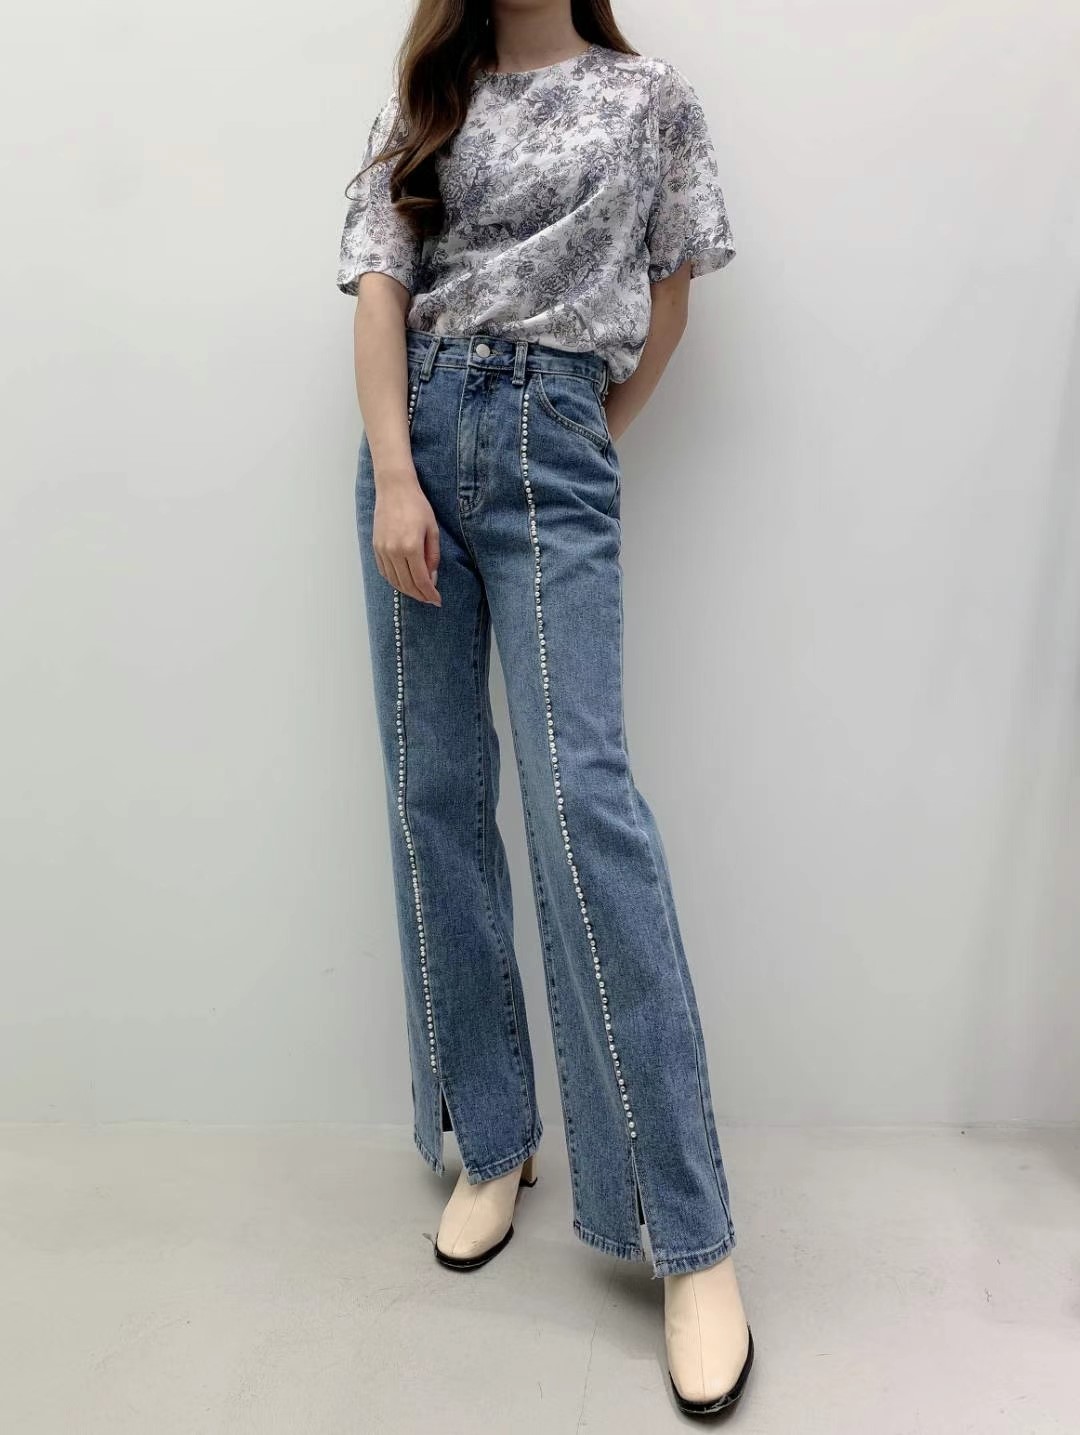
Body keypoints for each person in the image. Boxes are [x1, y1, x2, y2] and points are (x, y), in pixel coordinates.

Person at [337, 0, 753, 1417]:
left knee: (584, 805)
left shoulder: (649, 99)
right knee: (436, 795)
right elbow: (381, 286)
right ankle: (494, 1138)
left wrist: (579, 440)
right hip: (412, 448)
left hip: (552, 436)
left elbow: (671, 296)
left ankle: (688, 1234)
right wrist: (397, 475)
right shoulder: (427, 96)